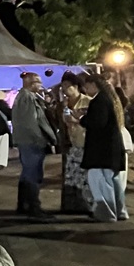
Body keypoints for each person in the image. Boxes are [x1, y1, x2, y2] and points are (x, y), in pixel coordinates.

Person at [79, 73, 128, 222]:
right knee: (113, 181)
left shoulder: (99, 101)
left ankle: (106, 213)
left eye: (87, 86)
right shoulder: (112, 100)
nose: (86, 90)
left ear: (94, 85)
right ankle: (120, 211)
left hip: (101, 149)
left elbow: (97, 123)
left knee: (99, 180)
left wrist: (82, 119)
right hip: (112, 147)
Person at [12, 73, 57, 217]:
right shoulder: (28, 98)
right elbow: (31, 123)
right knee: (33, 174)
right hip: (31, 142)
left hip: (26, 141)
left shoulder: (23, 97)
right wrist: (41, 139)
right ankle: (33, 207)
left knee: (27, 173)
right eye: (39, 83)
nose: (41, 86)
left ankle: (24, 205)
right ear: (32, 83)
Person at [59, 73, 93, 214]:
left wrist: (76, 120)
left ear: (76, 86)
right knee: (72, 177)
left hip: (86, 142)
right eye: (63, 87)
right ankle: (73, 205)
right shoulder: (64, 104)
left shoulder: (88, 102)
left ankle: (90, 206)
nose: (65, 89)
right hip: (71, 143)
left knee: (87, 178)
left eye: (68, 86)